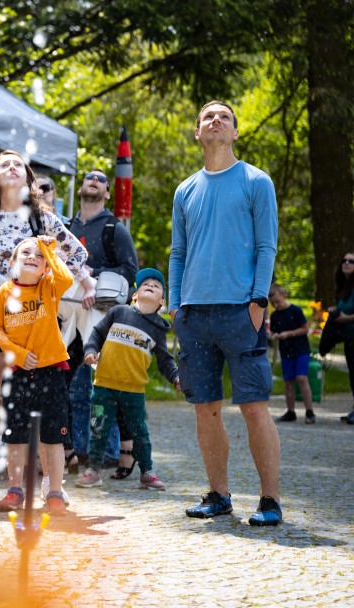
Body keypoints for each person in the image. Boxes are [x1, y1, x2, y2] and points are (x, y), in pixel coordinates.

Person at [0, 150, 91, 505]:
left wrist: (84, 285)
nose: (11, 168)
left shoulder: (41, 218)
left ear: (27, 177)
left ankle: (49, 484)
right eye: (3, 164)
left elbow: (76, 254)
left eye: (18, 165)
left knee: (40, 404)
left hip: (36, 318)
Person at [169, 100, 282, 526]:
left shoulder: (257, 181)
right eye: (207, 118)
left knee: (254, 407)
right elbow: (178, 252)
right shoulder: (185, 190)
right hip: (193, 315)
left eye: (224, 118)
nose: (216, 121)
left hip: (242, 312)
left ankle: (269, 500)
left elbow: (266, 247)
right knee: (205, 409)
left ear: (235, 132)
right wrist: (176, 304)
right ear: (198, 133)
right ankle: (218, 495)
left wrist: (257, 303)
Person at [0, 235, 73, 515]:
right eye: (25, 252)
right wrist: (18, 353)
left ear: (46, 267)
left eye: (38, 256)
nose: (32, 256)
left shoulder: (49, 286)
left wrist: (50, 249)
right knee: (15, 436)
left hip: (51, 372)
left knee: (53, 438)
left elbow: (67, 279)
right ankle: (15, 490)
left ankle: (55, 493)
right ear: (12, 262)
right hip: (17, 374)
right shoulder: (3, 292)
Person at [75, 268, 179, 491]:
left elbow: (165, 361)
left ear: (162, 301)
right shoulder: (119, 312)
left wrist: (176, 378)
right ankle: (94, 470)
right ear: (135, 295)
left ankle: (147, 472)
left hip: (134, 391)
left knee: (139, 432)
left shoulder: (158, 329)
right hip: (103, 386)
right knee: (98, 428)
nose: (150, 284)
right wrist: (90, 350)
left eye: (156, 285)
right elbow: (96, 334)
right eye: (145, 284)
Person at [66, 168, 140, 479]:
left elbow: (130, 270)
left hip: (103, 317)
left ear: (107, 193)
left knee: (104, 387)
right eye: (89, 178)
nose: (94, 181)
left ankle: (113, 453)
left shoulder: (114, 228)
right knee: (69, 386)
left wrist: (93, 278)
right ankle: (75, 450)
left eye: (101, 180)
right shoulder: (66, 227)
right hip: (68, 315)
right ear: (81, 187)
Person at [268, 284, 315, 424]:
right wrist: (275, 335)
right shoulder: (275, 315)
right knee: (288, 382)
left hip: (301, 349)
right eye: (273, 303)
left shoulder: (295, 310)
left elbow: (305, 329)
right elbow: (273, 331)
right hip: (286, 351)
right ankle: (290, 411)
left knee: (301, 378)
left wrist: (289, 334)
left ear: (284, 296)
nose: (276, 305)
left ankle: (309, 411)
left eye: (278, 301)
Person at [328, 252, 354, 424]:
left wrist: (346, 318)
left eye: (351, 261)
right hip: (349, 337)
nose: (346, 263)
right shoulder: (343, 287)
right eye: (344, 260)